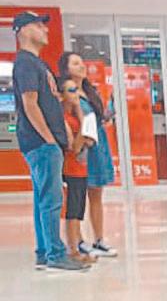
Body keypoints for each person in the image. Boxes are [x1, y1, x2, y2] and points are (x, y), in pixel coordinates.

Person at [11, 11, 90, 272]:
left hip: (45, 143)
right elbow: (30, 103)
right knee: (51, 200)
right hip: (42, 143)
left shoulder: (37, 64)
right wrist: (49, 139)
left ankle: (45, 252)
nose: (45, 29)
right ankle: (56, 253)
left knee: (43, 198)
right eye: (38, 25)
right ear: (23, 30)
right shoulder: (25, 63)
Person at [58, 52, 118, 258]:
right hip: (81, 148)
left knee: (96, 193)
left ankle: (99, 239)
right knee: (77, 196)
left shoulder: (91, 92)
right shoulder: (68, 92)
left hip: (98, 145)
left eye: (82, 62)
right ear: (66, 69)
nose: (81, 66)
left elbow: (98, 118)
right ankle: (78, 240)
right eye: (76, 63)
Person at [58, 78, 98, 265]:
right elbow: (74, 146)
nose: (76, 94)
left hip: (81, 169)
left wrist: (82, 117)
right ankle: (72, 249)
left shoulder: (76, 115)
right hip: (70, 169)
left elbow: (88, 140)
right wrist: (84, 130)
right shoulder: (62, 119)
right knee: (72, 211)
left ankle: (76, 247)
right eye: (71, 90)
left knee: (79, 210)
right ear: (61, 95)